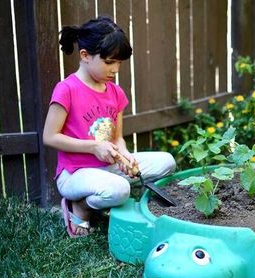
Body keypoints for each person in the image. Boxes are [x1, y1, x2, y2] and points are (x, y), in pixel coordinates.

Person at [43, 16, 176, 238]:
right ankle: (80, 208)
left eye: (119, 63)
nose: (115, 69)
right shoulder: (66, 89)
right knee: (120, 190)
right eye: (109, 62)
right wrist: (94, 147)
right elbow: (50, 136)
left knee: (167, 162)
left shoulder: (115, 93)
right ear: (85, 55)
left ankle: (109, 192)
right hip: (75, 173)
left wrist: (124, 154)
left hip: (107, 169)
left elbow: (117, 138)